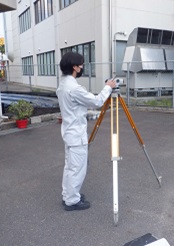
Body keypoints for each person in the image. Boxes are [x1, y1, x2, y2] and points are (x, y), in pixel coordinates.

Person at [56, 52, 116, 211]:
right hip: (76, 136)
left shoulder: (62, 85)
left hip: (69, 133)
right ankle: (72, 201)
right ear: (74, 67)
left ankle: (68, 195)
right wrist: (108, 87)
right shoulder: (74, 88)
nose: (82, 67)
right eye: (81, 65)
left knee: (70, 167)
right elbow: (96, 101)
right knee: (77, 169)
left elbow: (75, 109)